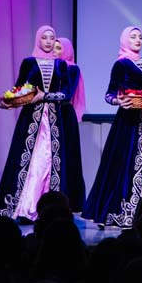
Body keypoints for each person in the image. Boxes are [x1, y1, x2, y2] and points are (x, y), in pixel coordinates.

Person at [0, 26, 81, 221]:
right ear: (38, 40)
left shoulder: (61, 65)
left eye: (52, 38)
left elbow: (66, 94)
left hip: (54, 120)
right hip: (31, 120)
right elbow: (19, 87)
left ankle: (50, 210)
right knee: (29, 160)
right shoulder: (29, 62)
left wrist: (45, 96)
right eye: (44, 38)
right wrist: (8, 101)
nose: (48, 41)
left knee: (49, 161)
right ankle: (24, 208)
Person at [82, 26, 142, 228]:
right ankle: (125, 211)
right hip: (128, 121)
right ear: (125, 40)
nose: (138, 40)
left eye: (140, 37)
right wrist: (118, 101)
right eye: (133, 37)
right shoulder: (121, 64)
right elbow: (110, 94)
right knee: (125, 163)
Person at [52, 37, 86, 210]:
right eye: (54, 47)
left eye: (59, 48)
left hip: (64, 114)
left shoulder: (72, 68)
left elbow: (66, 92)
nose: (54, 51)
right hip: (51, 113)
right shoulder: (51, 66)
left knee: (68, 157)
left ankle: (70, 200)